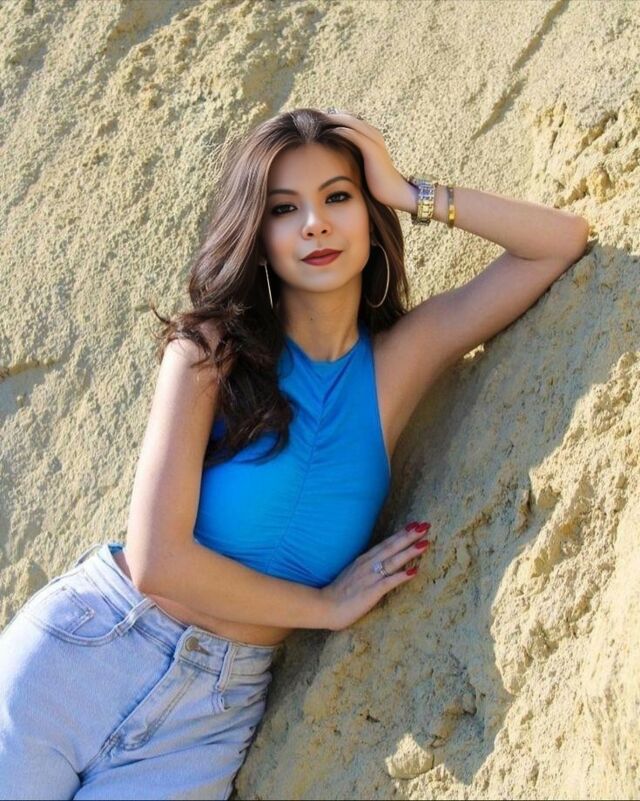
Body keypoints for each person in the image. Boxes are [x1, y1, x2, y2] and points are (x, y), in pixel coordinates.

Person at [0, 107, 589, 800]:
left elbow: (559, 242)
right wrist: (324, 605)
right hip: (91, 648)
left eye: (338, 197)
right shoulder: (209, 353)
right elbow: (158, 559)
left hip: (208, 717)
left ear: (368, 214)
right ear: (259, 235)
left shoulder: (398, 365)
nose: (314, 223)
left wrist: (407, 191)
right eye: (285, 209)